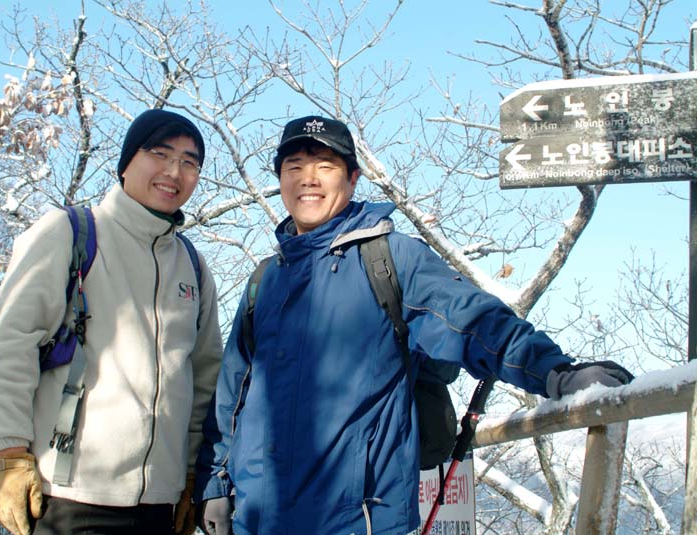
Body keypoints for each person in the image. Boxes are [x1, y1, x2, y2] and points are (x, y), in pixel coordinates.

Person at [193, 115, 633, 535]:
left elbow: (476, 322)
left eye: (325, 166)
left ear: (352, 179)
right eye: (294, 167)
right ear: (281, 180)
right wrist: (214, 486)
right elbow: (233, 394)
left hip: (355, 520)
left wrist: (555, 373)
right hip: (257, 519)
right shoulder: (265, 280)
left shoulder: (391, 259)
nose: (308, 179)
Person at [0, 109, 223, 535]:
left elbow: (204, 378)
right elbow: (8, 344)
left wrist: (189, 473)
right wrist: (10, 452)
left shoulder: (193, 266)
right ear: (126, 163)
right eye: (160, 154)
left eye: (189, 162)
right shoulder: (69, 233)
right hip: (69, 497)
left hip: (160, 506)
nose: (174, 171)